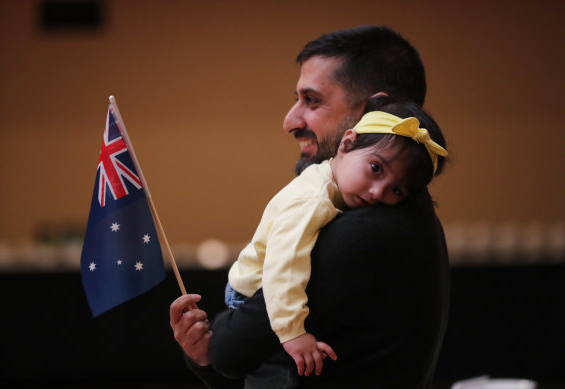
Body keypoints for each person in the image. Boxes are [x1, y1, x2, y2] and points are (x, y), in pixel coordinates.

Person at [170, 25, 450, 388]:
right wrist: (211, 355)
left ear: (371, 111)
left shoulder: (365, 228)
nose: (290, 121)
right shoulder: (403, 213)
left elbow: (229, 353)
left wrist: (216, 342)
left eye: (312, 100)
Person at [225, 96, 447, 378]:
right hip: (256, 293)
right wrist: (292, 332)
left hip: (276, 292)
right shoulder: (312, 200)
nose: (379, 192)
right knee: (277, 376)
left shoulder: (336, 187)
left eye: (397, 190)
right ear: (346, 143)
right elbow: (283, 266)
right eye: (376, 168)